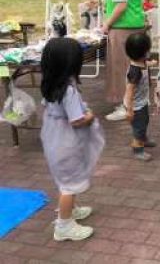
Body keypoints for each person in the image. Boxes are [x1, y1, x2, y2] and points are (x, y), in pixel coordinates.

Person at [40, 38, 105, 242]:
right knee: (70, 184)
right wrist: (90, 116)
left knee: (65, 178)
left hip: (53, 137)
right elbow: (76, 120)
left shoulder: (50, 83)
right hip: (66, 141)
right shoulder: (67, 90)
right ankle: (64, 225)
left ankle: (70, 210)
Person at [97, 0, 146, 121]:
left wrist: (106, 24)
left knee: (122, 68)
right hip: (133, 27)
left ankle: (125, 106)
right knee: (133, 67)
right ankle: (133, 103)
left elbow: (120, 5)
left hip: (123, 29)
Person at [124, 32, 157, 161]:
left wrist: (151, 63)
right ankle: (137, 148)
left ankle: (143, 138)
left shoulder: (140, 63)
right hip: (135, 106)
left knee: (144, 121)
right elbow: (129, 91)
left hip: (141, 102)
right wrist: (129, 110)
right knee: (139, 126)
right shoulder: (135, 72)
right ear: (144, 52)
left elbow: (145, 65)